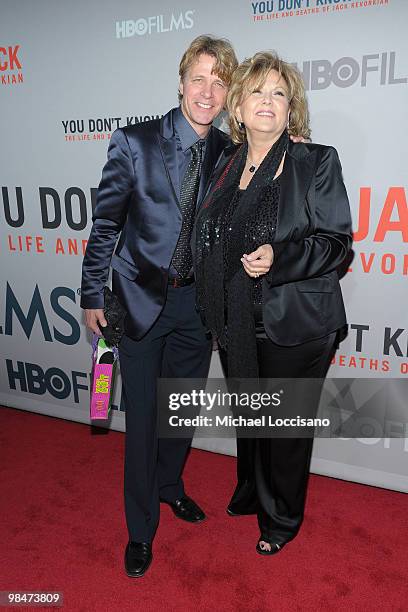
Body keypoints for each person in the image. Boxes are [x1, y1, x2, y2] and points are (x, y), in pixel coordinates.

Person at [81, 35, 238, 577]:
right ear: (180, 81)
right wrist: (90, 293)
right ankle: (140, 529)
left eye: (220, 83)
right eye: (200, 78)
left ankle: (171, 486)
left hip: (198, 305)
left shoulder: (229, 153)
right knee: (143, 420)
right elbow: (105, 224)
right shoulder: (134, 141)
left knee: (181, 411)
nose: (208, 91)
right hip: (141, 300)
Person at [195, 52, 352, 555]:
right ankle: (252, 490)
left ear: (291, 109)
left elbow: (336, 242)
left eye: (278, 93)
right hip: (237, 317)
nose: (268, 101)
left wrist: (278, 256)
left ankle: (281, 519)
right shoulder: (223, 164)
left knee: (283, 430)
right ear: (236, 107)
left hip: (297, 322)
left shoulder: (315, 161)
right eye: (257, 92)